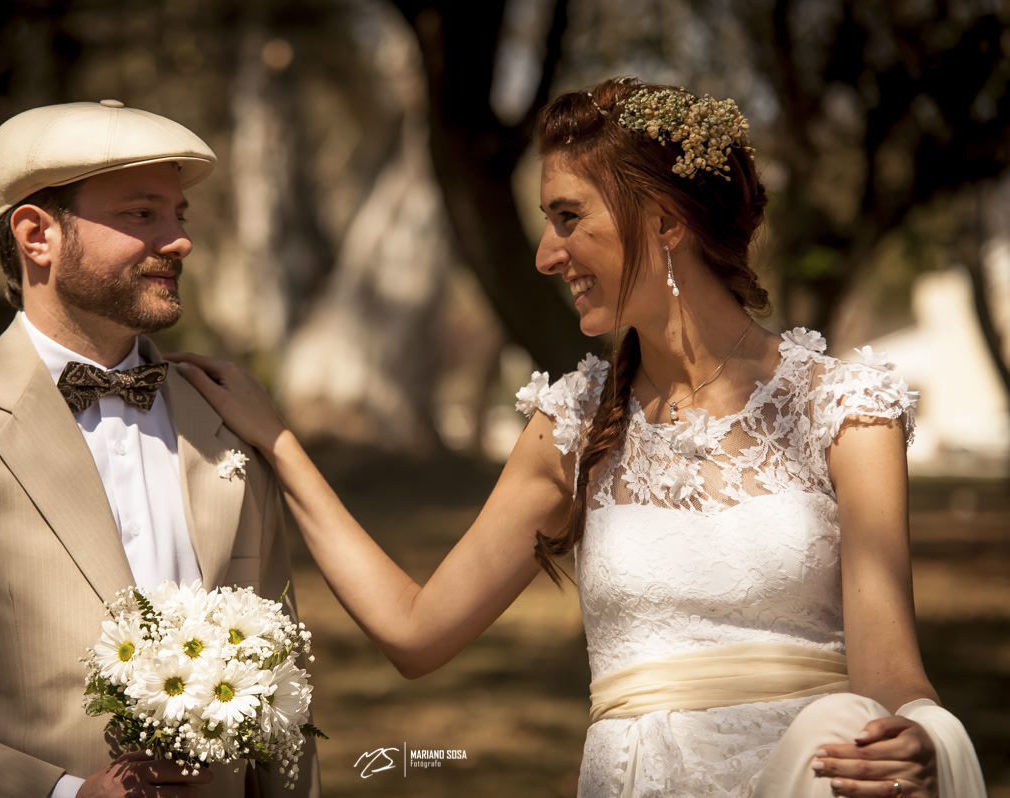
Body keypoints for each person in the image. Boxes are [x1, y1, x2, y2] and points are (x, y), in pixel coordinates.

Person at [169, 77, 985, 797]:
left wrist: (917, 738)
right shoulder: (571, 424)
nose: (544, 255)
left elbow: (890, 675)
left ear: (664, 221)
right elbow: (415, 635)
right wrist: (277, 442)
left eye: (568, 218)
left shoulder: (844, 410)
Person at [0, 100, 319, 798]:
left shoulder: (229, 414)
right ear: (36, 235)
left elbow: (283, 705)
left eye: (179, 215)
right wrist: (63, 795)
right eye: (143, 215)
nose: (179, 241)